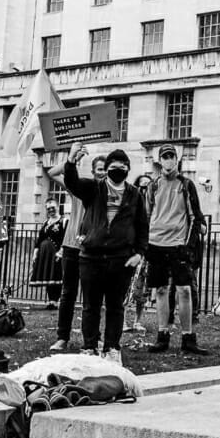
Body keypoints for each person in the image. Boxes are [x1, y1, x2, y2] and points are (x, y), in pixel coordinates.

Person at [63, 143, 147, 363]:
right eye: (113, 166)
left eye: (122, 166)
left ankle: (112, 348)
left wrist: (139, 253)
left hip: (121, 259)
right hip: (91, 256)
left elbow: (142, 226)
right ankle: (89, 347)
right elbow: (72, 182)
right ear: (107, 168)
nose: (117, 169)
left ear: (128, 169)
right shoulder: (94, 188)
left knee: (115, 306)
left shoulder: (135, 195)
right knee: (90, 305)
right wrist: (71, 161)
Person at [145, 144, 208, 355]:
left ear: (177, 160)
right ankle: (162, 335)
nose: (168, 161)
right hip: (156, 243)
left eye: (172, 156)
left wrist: (188, 245)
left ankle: (188, 337)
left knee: (185, 290)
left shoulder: (186, 184)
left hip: (178, 244)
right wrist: (145, 242)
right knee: (161, 290)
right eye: (165, 157)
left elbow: (195, 216)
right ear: (160, 161)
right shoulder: (153, 186)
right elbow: (147, 215)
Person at [45, 154, 106, 351]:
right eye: (99, 169)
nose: (102, 172)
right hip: (71, 246)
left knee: (92, 296)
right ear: (93, 171)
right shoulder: (79, 188)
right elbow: (52, 172)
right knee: (68, 293)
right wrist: (72, 159)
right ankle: (62, 337)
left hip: (92, 248)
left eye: (105, 169)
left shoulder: (108, 192)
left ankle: (93, 338)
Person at [123, 174, 154, 334]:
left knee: (142, 288)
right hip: (129, 251)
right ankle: (122, 321)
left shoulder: (153, 206)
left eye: (148, 186)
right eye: (142, 186)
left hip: (145, 251)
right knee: (125, 286)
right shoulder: (130, 204)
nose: (144, 190)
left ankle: (137, 320)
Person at [29, 198, 66, 308]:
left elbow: (66, 238)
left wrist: (61, 252)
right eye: (48, 208)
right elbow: (39, 240)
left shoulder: (63, 222)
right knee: (48, 276)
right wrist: (35, 253)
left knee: (56, 276)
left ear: (58, 207)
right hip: (45, 255)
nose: (51, 210)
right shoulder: (46, 223)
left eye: (52, 208)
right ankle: (51, 301)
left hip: (57, 254)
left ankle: (55, 300)